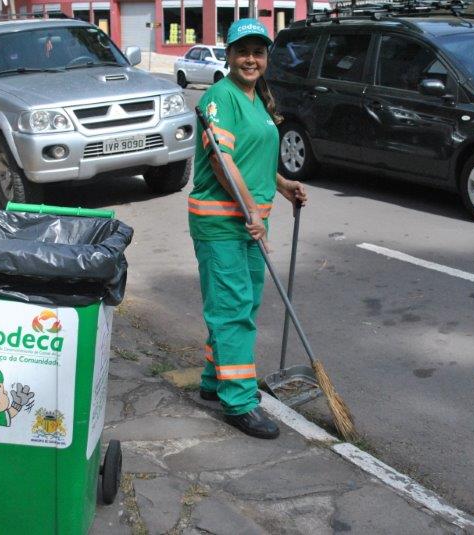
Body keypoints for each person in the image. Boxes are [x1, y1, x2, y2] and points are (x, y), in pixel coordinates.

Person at [189, 19, 307, 440]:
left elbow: (252, 156)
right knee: (234, 308)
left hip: (250, 221)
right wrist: (251, 213)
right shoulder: (220, 98)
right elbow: (222, 161)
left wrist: (282, 183)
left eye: (258, 52)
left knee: (239, 304)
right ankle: (238, 402)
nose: (251, 59)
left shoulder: (257, 99)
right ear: (229, 55)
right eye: (243, 51)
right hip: (222, 222)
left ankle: (212, 379)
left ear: (266, 58)